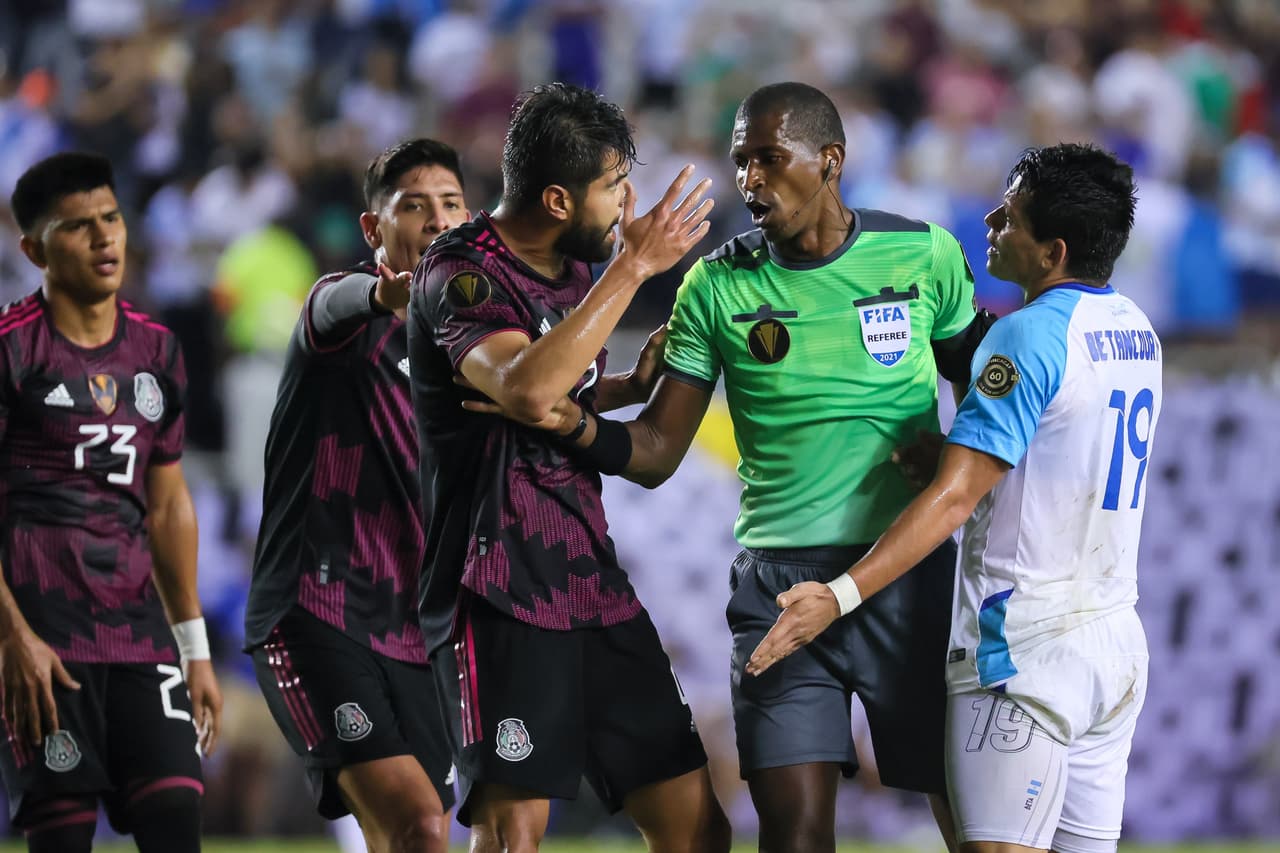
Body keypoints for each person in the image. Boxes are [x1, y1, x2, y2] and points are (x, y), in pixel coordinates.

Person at [466, 81, 996, 853]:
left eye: (770, 159)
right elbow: (655, 452)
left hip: (905, 573)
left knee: (973, 821)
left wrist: (954, 454)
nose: (750, 180)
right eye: (742, 161)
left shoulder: (923, 252)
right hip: (777, 587)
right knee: (792, 834)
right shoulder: (715, 284)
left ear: (831, 160)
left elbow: (981, 380)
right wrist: (574, 424)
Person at [748, 143, 1154, 853]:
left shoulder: (1023, 335)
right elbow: (1061, 451)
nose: (991, 220)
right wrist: (953, 450)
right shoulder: (1135, 329)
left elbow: (955, 500)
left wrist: (838, 596)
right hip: (1112, 643)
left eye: (1011, 215)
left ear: (1052, 252)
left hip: (1022, 645)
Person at [406, 82, 731, 853]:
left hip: (589, 579)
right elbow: (524, 388)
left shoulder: (573, 270)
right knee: (513, 835)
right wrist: (635, 266)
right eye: (613, 186)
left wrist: (623, 388)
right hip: (496, 585)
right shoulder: (460, 272)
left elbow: (555, 390)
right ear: (557, 199)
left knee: (697, 828)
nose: (625, 205)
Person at [244, 138, 471, 853]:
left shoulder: (474, 350)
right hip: (320, 611)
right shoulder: (342, 317)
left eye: (451, 204)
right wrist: (382, 294)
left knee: (414, 834)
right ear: (375, 228)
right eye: (415, 206)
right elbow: (331, 304)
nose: (438, 220)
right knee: (417, 822)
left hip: (417, 631)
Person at [0, 151, 222, 853]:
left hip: (138, 632)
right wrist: (11, 637)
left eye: (112, 218)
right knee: (64, 839)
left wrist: (194, 648)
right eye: (78, 226)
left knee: (176, 814)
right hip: (41, 637)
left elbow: (168, 507)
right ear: (34, 250)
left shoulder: (157, 351)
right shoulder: (11, 351)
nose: (104, 238)